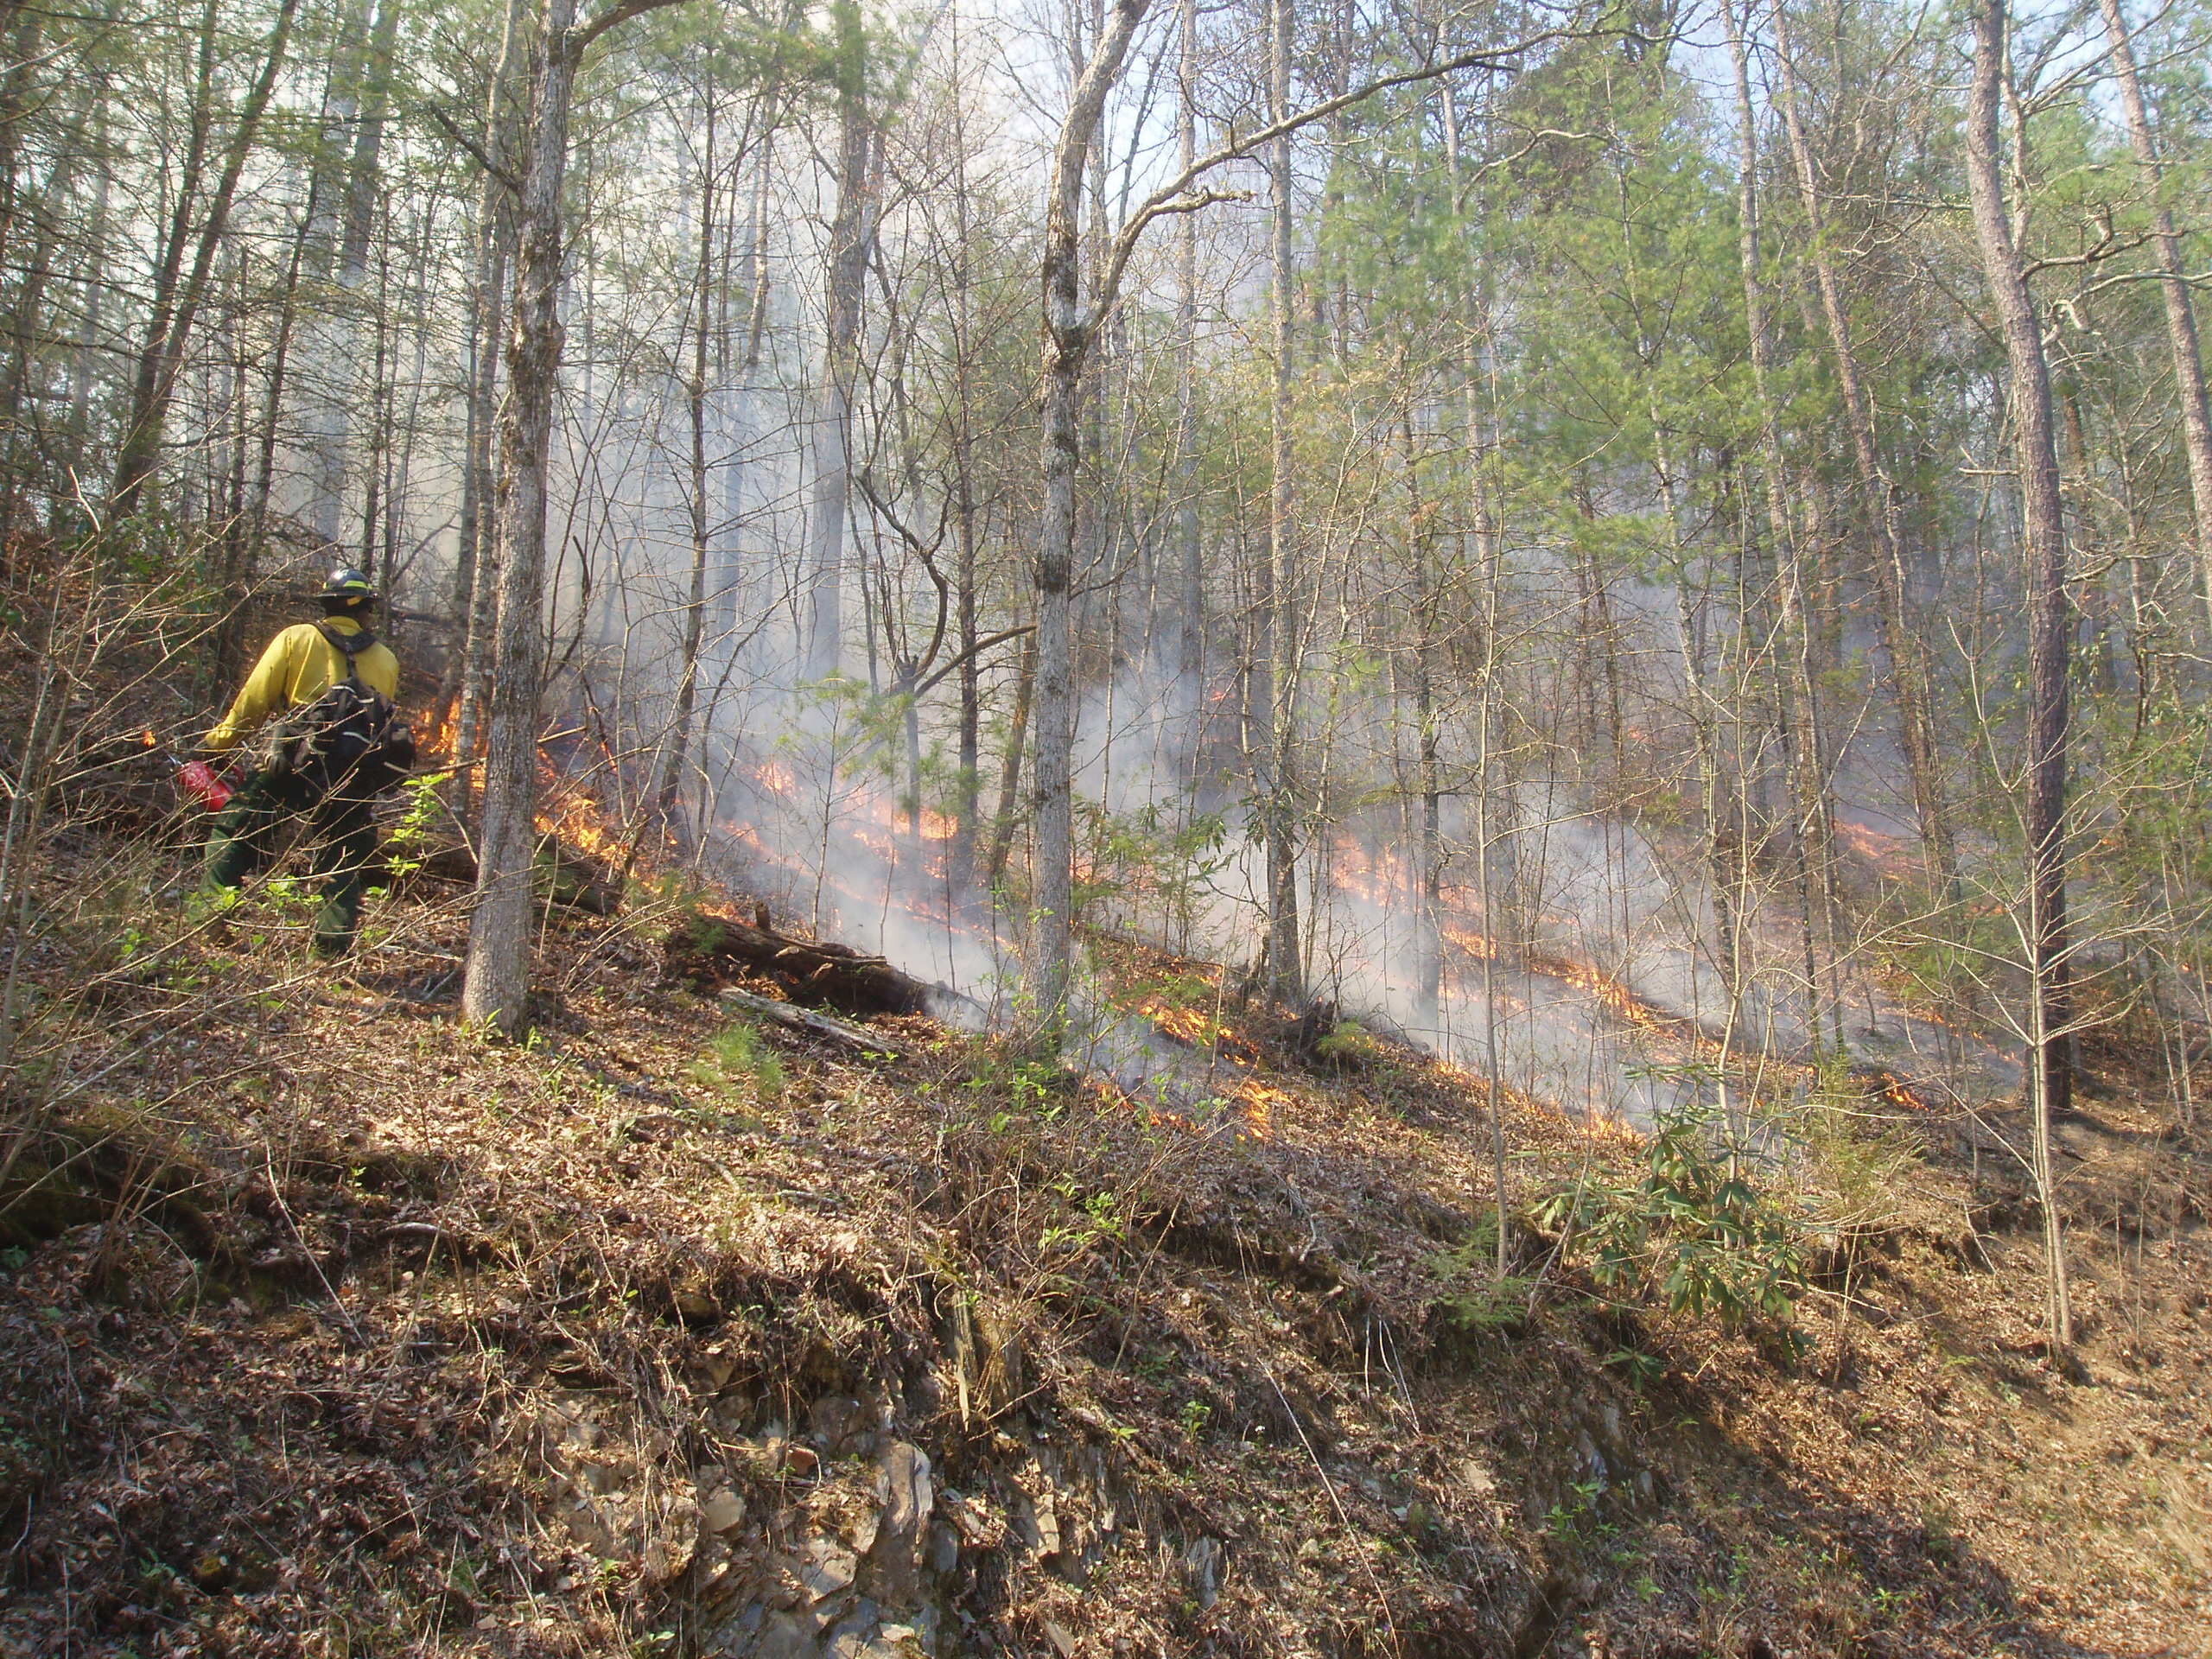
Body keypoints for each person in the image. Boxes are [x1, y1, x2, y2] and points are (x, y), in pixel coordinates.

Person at [199, 568, 402, 959]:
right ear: (365, 610)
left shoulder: (295, 639)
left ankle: (210, 923)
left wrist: (217, 745)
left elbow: (253, 703)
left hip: (291, 758)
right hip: (351, 773)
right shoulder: (386, 659)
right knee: (343, 856)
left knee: (233, 829)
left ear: (327, 604)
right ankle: (329, 954)